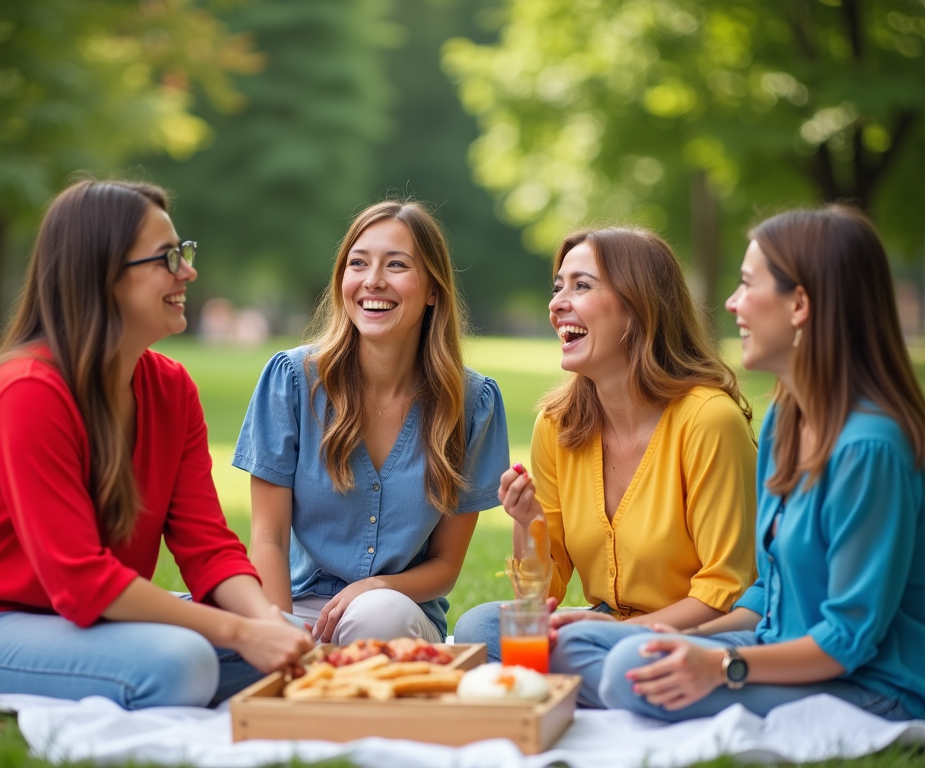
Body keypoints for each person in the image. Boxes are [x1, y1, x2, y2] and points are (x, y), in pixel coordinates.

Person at [0, 180, 313, 709]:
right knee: (183, 662)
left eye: (183, 253)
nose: (187, 271)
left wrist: (264, 623)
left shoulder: (171, 389)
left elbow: (207, 547)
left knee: (294, 641)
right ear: (102, 274)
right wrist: (239, 635)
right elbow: (81, 580)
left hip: (84, 619)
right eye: (167, 258)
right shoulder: (26, 391)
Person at [573, 206, 925, 722]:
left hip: (869, 685)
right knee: (588, 642)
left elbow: (848, 638)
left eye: (746, 284)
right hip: (771, 647)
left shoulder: (869, 448)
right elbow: (766, 590)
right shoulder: (787, 417)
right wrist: (671, 635)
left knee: (630, 671)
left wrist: (721, 666)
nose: (731, 303)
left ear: (799, 304)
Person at [455, 227, 758, 694]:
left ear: (638, 309)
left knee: (588, 652)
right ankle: (626, 687)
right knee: (482, 627)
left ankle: (617, 682)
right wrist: (527, 524)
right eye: (558, 287)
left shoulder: (707, 420)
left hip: (702, 634)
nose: (557, 303)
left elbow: (727, 592)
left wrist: (616, 632)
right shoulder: (557, 426)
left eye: (581, 285)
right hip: (604, 629)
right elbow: (541, 600)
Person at [233, 199, 509, 645]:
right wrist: (278, 635)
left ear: (433, 289)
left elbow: (444, 566)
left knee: (376, 616)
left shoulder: (473, 403)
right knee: (196, 637)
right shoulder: (292, 380)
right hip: (296, 607)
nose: (373, 281)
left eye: (396, 264)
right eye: (357, 264)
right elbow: (269, 541)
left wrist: (377, 586)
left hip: (397, 612)